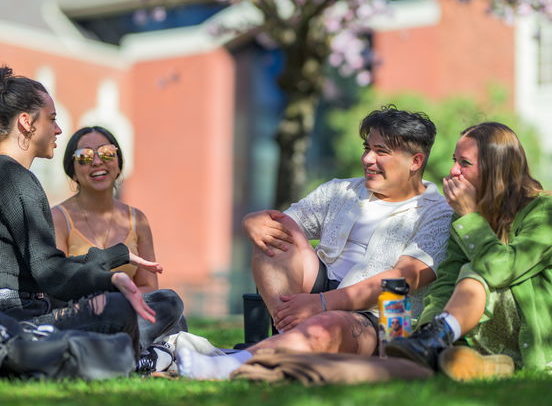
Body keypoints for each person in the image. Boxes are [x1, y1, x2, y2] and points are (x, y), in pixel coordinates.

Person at [177, 105, 453, 379]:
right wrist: (251, 220)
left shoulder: (437, 213)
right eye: (366, 148)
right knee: (274, 235)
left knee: (327, 325)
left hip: (377, 318)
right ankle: (290, 336)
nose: (368, 159)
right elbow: (279, 225)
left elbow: (403, 278)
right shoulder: (339, 190)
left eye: (381, 151)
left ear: (415, 161)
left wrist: (322, 304)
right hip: (310, 295)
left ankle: (226, 365)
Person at [0, 66, 158, 355]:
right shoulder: (16, 179)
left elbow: (45, 266)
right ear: (26, 122)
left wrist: (117, 256)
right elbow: (49, 271)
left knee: (162, 302)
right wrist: (110, 277)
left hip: (20, 314)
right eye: (52, 119)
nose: (58, 129)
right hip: (20, 322)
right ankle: (145, 358)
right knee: (119, 308)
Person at [386, 122, 552, 381]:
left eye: (464, 163)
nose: (453, 170)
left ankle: (438, 339)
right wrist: (425, 328)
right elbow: (447, 281)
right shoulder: (462, 218)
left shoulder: (544, 211)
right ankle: (478, 358)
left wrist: (470, 217)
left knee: (475, 269)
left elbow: (501, 269)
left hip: (531, 334)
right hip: (481, 332)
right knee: (448, 354)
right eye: (454, 160)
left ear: (495, 168)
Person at [52, 126, 187, 356]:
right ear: (73, 171)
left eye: (106, 153)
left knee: (169, 303)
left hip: (128, 312)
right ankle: (146, 351)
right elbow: (58, 284)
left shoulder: (137, 220)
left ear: (118, 163)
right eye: (84, 157)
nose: (97, 162)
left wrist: (119, 303)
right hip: (83, 315)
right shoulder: (58, 218)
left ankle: (124, 350)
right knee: (173, 324)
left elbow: (149, 287)